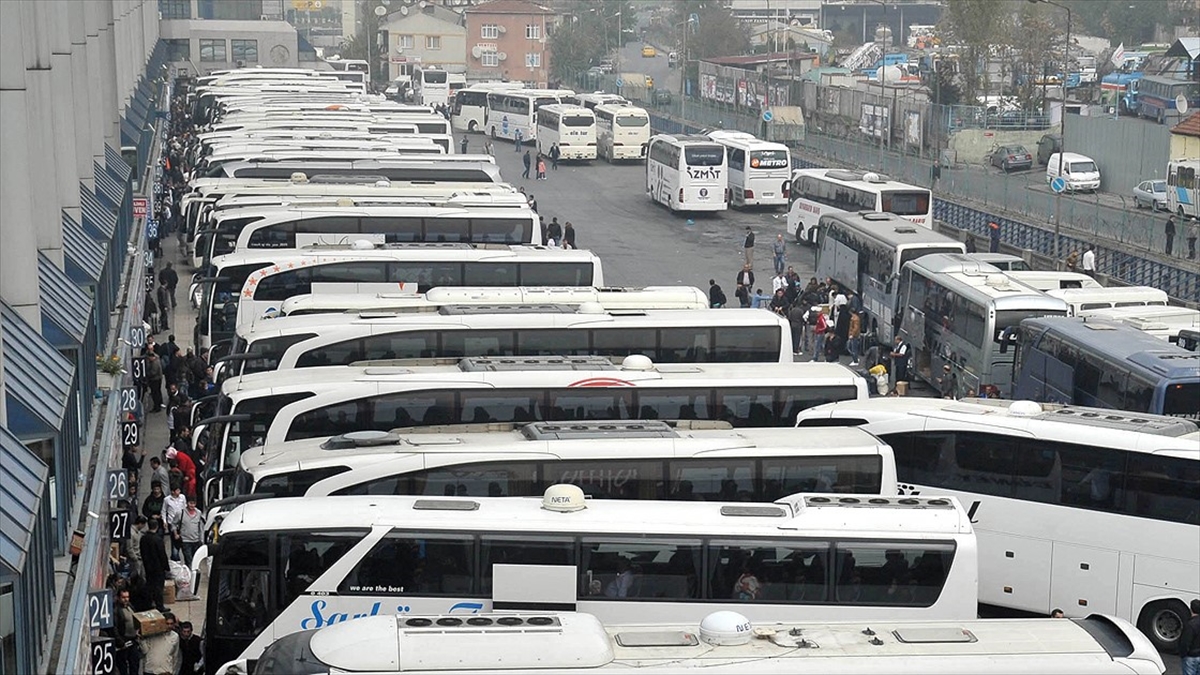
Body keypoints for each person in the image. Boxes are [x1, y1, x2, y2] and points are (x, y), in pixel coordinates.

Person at [108, 588, 141, 675]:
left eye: (127, 597)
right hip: (124, 641)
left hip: (133, 640)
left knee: (134, 662)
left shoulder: (130, 606)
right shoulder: (115, 610)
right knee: (123, 665)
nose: (126, 599)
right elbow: (114, 627)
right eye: (123, 597)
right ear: (118, 598)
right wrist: (120, 642)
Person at [140, 518, 170, 611]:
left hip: (148, 567)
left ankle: (149, 603)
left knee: (150, 585)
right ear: (157, 527)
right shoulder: (158, 540)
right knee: (158, 588)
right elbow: (162, 554)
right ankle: (159, 606)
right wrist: (166, 567)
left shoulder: (143, 538)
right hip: (158, 568)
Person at [162, 485, 186, 562]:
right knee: (174, 542)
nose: (179, 492)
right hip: (171, 523)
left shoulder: (182, 497)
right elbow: (163, 511)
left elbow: (185, 507)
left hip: (182, 522)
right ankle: (175, 557)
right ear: (172, 491)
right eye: (177, 490)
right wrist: (164, 521)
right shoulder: (167, 500)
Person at [1182, 598, 1200, 675]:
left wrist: (1183, 654)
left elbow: (1185, 642)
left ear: (1191, 609)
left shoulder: (1190, 625)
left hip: (1191, 656)